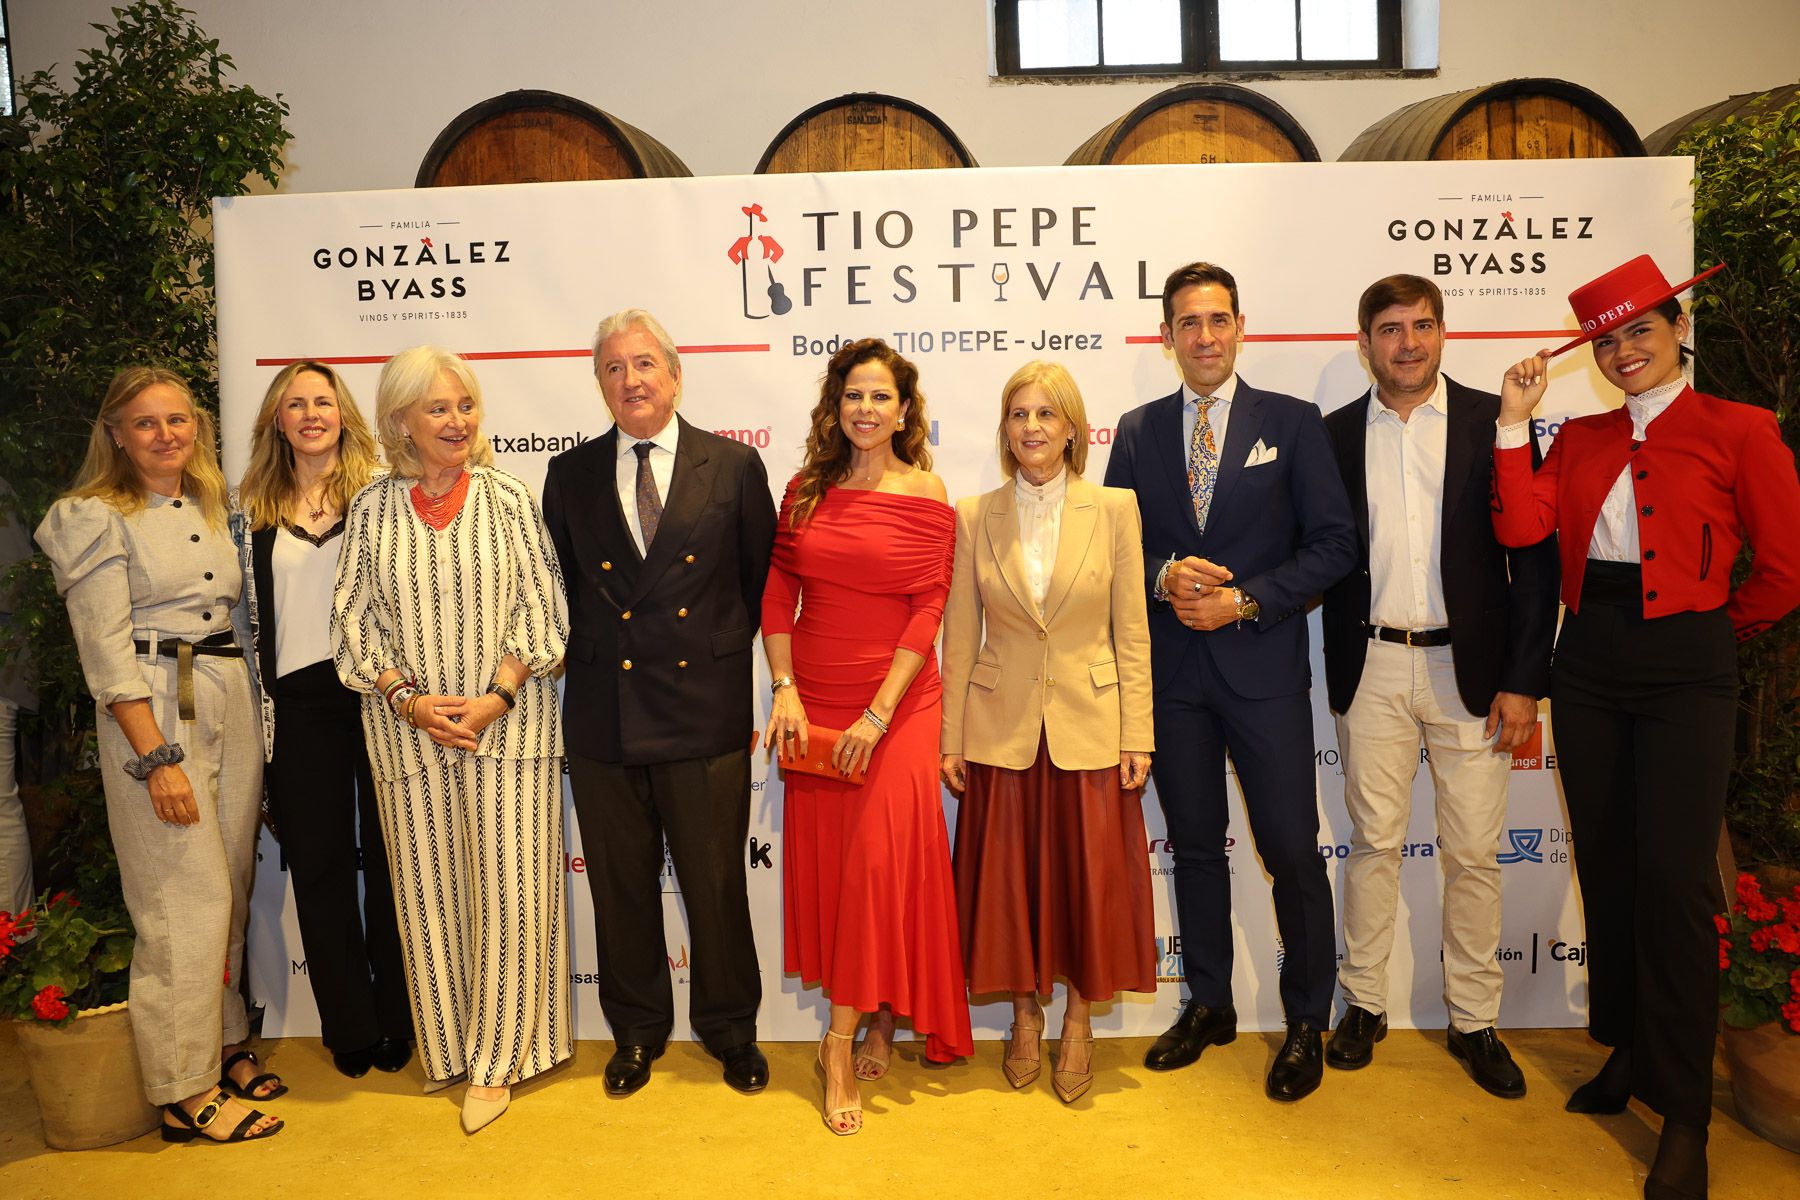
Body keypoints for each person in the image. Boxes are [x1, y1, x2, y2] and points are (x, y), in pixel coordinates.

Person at [1493, 256, 1800, 1200]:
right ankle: (1627, 1050)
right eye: (1607, 340)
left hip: (1687, 667)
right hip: (1588, 661)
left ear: (1677, 330)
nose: (1624, 351)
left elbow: (1785, 568)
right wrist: (1512, 423)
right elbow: (1520, 530)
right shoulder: (1580, 436)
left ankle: (1687, 1115)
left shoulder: (1741, 429)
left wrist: (1711, 631)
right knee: (1610, 868)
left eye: (1641, 331)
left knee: (1674, 886)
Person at [1103, 261, 1356, 1103]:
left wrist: (1245, 600)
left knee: (1291, 852)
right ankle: (1209, 1003)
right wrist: (1163, 574)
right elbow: (1114, 547)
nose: (1204, 336)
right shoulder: (1136, 431)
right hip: (1174, 678)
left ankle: (1307, 1020)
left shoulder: (1291, 421)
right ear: (1166, 336)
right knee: (1195, 847)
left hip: (1264, 675)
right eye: (1188, 322)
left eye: (1218, 320)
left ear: (1240, 327)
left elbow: (1334, 544)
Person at [1319, 275, 1560, 1096]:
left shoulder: (1500, 423)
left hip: (1475, 670)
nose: (1408, 343)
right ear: (1365, 344)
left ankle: (1474, 1019)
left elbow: (1534, 562)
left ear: (1444, 332)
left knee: (1474, 854)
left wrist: (1524, 679)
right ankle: (1363, 1004)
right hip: (1372, 663)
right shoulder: (1332, 435)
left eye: (1422, 325)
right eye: (1390, 329)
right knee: (1373, 844)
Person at [36, 367, 282, 1142]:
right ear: (115, 434)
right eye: (146, 423)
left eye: (178, 420)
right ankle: (183, 1088)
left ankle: (224, 1043)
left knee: (227, 887)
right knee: (182, 898)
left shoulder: (211, 504)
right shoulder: (93, 516)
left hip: (225, 691)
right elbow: (104, 651)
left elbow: (239, 622)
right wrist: (156, 760)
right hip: (152, 701)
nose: (165, 434)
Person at [331, 346, 571, 1134]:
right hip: (409, 735)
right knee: (429, 900)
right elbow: (353, 622)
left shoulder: (508, 497)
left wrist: (496, 697)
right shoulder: (371, 508)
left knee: (512, 894)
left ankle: (502, 1060)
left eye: (464, 405)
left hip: (509, 728)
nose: (457, 420)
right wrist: (408, 700)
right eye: (438, 408)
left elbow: (545, 611)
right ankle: (453, 1049)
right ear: (401, 420)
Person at [541, 309, 775, 1100]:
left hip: (701, 710)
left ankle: (730, 1030)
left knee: (716, 887)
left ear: (675, 374)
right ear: (599, 384)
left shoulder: (732, 466)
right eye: (613, 368)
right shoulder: (569, 474)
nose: (631, 380)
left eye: (644, 364)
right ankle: (637, 1032)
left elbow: (754, 581)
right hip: (603, 715)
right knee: (620, 888)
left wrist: (709, 651)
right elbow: (559, 588)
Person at [762, 337, 973, 1135]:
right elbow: (778, 591)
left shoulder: (926, 490)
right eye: (854, 394)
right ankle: (877, 1016)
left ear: (905, 410)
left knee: (881, 866)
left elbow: (928, 606)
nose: (866, 408)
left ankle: (838, 1043)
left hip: (900, 703)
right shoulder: (805, 490)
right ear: (836, 405)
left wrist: (879, 714)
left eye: (881, 395)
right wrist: (784, 689)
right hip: (815, 703)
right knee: (845, 875)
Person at [940, 360, 1155, 1105]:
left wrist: (1138, 733)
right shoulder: (974, 514)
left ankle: (1079, 1021)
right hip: (999, 729)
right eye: (1018, 413)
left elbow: (1132, 631)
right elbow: (959, 636)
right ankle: (1024, 1015)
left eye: (1046, 414)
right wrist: (950, 738)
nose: (1031, 427)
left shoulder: (1116, 508)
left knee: (1087, 888)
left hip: (1090, 726)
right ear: (1005, 429)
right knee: (1010, 888)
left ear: (1072, 429)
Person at [237, 361, 411, 1079]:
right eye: (296, 404)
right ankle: (350, 1026)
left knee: (397, 864)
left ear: (344, 413)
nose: (312, 414)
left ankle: (400, 1017)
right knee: (320, 866)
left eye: (324, 401)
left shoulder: (384, 494)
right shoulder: (249, 510)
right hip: (297, 708)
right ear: (277, 421)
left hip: (378, 697)